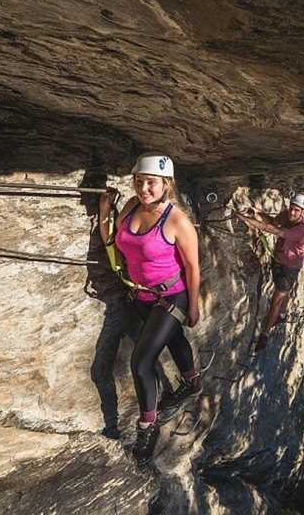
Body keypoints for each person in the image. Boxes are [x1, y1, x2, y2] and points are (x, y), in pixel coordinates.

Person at [98, 154, 201, 466]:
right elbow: (114, 242)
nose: (144, 188)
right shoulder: (130, 206)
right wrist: (105, 210)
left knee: (141, 362)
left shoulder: (177, 221)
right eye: (139, 182)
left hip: (173, 297)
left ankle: (147, 426)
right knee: (172, 339)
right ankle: (192, 381)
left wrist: (193, 306)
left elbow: (193, 267)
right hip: (141, 296)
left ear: (165, 185)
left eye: (151, 183)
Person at [237, 193, 304, 352]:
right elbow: (273, 222)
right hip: (278, 261)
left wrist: (245, 219)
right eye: (291, 208)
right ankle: (282, 314)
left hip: (290, 268)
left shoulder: (301, 230)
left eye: (297, 211)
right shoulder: (286, 214)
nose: (292, 212)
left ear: (303, 212)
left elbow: (271, 229)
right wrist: (257, 212)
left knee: (276, 300)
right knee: (284, 292)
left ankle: (264, 334)